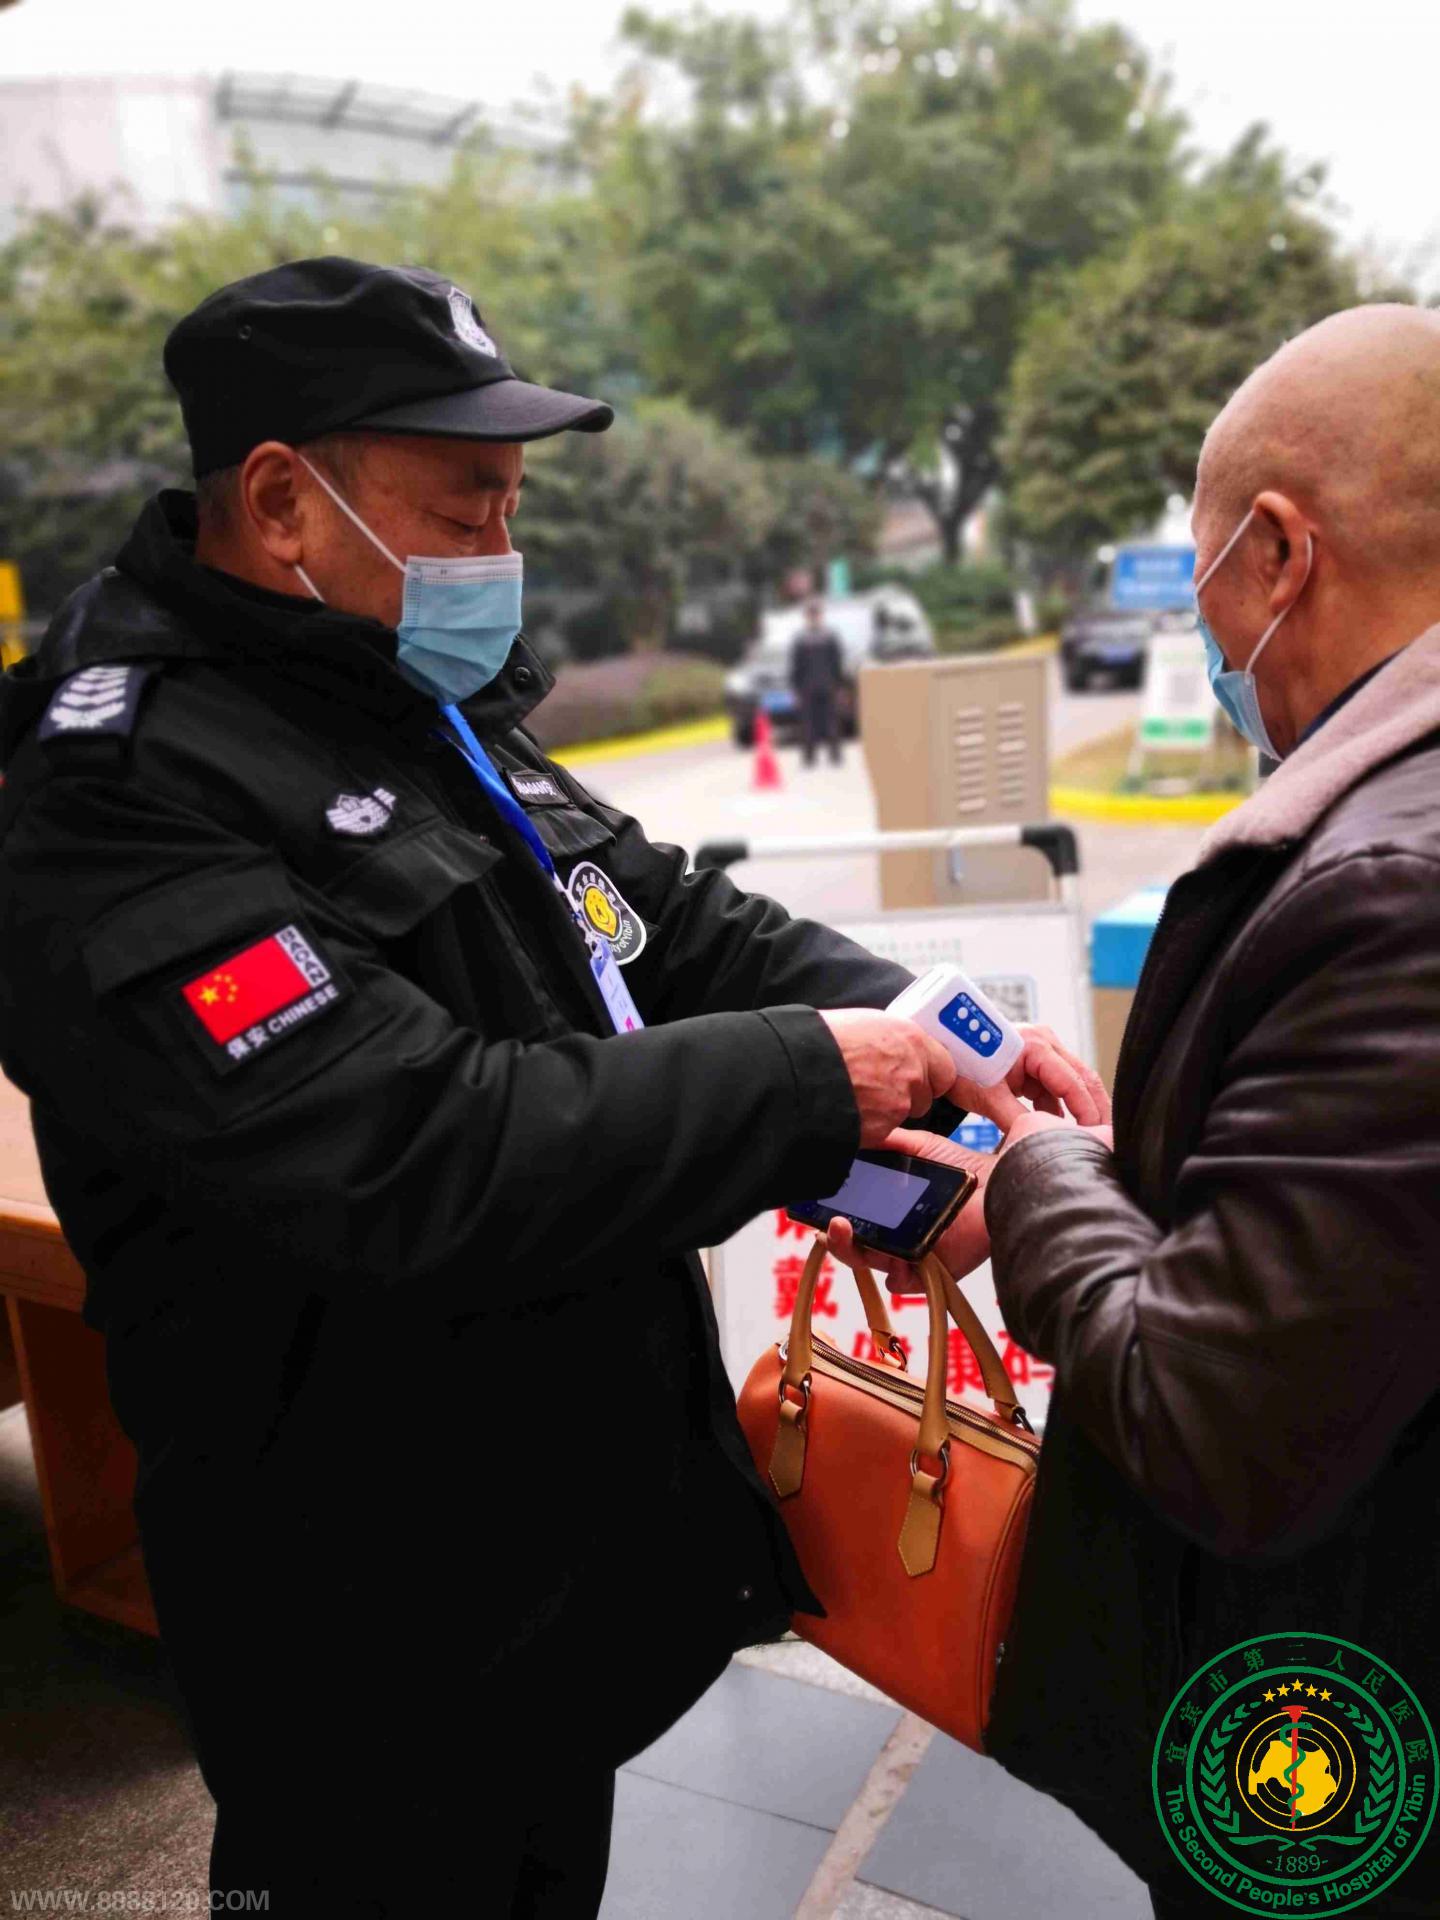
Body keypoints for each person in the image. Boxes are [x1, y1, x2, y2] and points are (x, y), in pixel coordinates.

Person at [0, 258, 1103, 1916]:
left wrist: (936, 1035)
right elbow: (417, 1147)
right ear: (285, 503)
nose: (501, 550)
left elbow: (660, 918)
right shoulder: (117, 792)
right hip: (356, 1617)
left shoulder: (405, 695)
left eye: (513, 502)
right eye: (468, 503)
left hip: (538, 1568)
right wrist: (813, 1083)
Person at [837, 304, 1440, 1916]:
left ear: (1280, 551)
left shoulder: (1388, 887)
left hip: (1335, 1727)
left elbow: (1211, 1420)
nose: (1213, 636)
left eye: (1204, 582)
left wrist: (1046, 1173)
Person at [788, 597, 846, 766]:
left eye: (815, 613)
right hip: (822, 685)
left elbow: (836, 664)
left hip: (813, 686)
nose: (814, 616)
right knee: (823, 721)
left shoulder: (802, 639)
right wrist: (840, 686)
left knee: (816, 722)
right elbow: (837, 664)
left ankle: (815, 757)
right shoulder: (829, 636)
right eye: (812, 613)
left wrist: (795, 689)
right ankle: (828, 756)